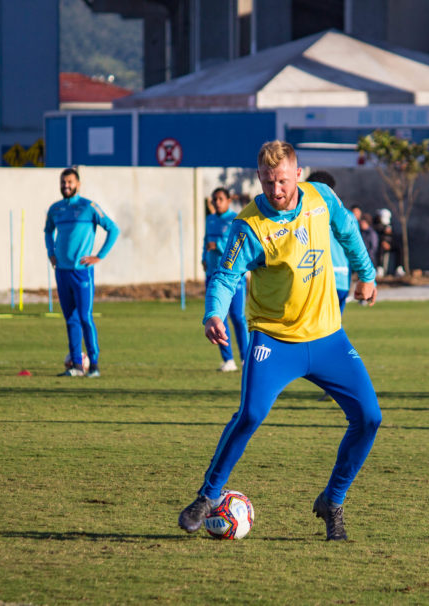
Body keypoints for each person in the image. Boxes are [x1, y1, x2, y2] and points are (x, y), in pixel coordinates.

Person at [178, 141, 381, 541]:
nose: (276, 190)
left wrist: (367, 274)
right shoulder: (249, 226)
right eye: (269, 182)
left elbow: (348, 230)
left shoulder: (321, 198)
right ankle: (208, 496)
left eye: (283, 181)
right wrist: (214, 313)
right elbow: (225, 276)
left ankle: (332, 501)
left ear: (298, 174)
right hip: (274, 339)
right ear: (259, 178)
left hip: (327, 337)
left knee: (370, 418)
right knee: (251, 414)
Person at [45, 167, 119, 377]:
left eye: (70, 182)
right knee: (70, 318)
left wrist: (99, 256)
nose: (66, 185)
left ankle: (94, 365)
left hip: (82, 273)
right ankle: (76, 366)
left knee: (85, 317)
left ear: (78, 184)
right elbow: (48, 231)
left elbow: (113, 229)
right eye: (63, 182)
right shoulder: (55, 209)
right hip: (62, 272)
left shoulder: (89, 207)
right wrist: (51, 252)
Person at [203, 187, 249, 371]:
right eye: (214, 199)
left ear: (229, 201)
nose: (217, 202)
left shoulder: (235, 220)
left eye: (220, 199)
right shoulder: (210, 219)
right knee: (218, 318)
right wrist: (203, 258)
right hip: (212, 274)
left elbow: (237, 244)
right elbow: (205, 241)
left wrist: (217, 245)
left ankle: (246, 358)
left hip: (232, 276)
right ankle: (228, 360)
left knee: (238, 317)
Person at [307, 171, 349, 312]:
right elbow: (357, 249)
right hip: (342, 279)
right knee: (334, 323)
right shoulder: (347, 215)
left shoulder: (306, 216)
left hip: (316, 279)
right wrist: (367, 278)